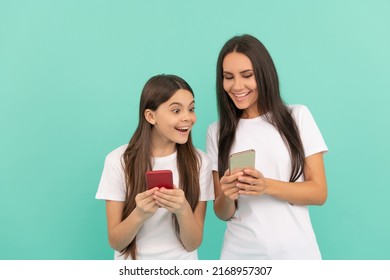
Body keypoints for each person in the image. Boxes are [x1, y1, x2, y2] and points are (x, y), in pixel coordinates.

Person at [206, 34, 328, 259]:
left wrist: (265, 186)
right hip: (239, 257)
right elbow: (222, 213)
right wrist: (227, 194)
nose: (237, 86)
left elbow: (319, 192)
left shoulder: (297, 117)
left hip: (298, 255)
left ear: (263, 74)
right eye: (228, 77)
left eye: (247, 75)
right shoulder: (217, 131)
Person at [96, 74, 214, 260]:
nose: (188, 118)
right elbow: (116, 242)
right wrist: (139, 214)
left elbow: (193, 243)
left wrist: (182, 209)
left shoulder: (201, 162)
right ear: (151, 116)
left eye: (191, 109)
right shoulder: (118, 160)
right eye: (176, 111)